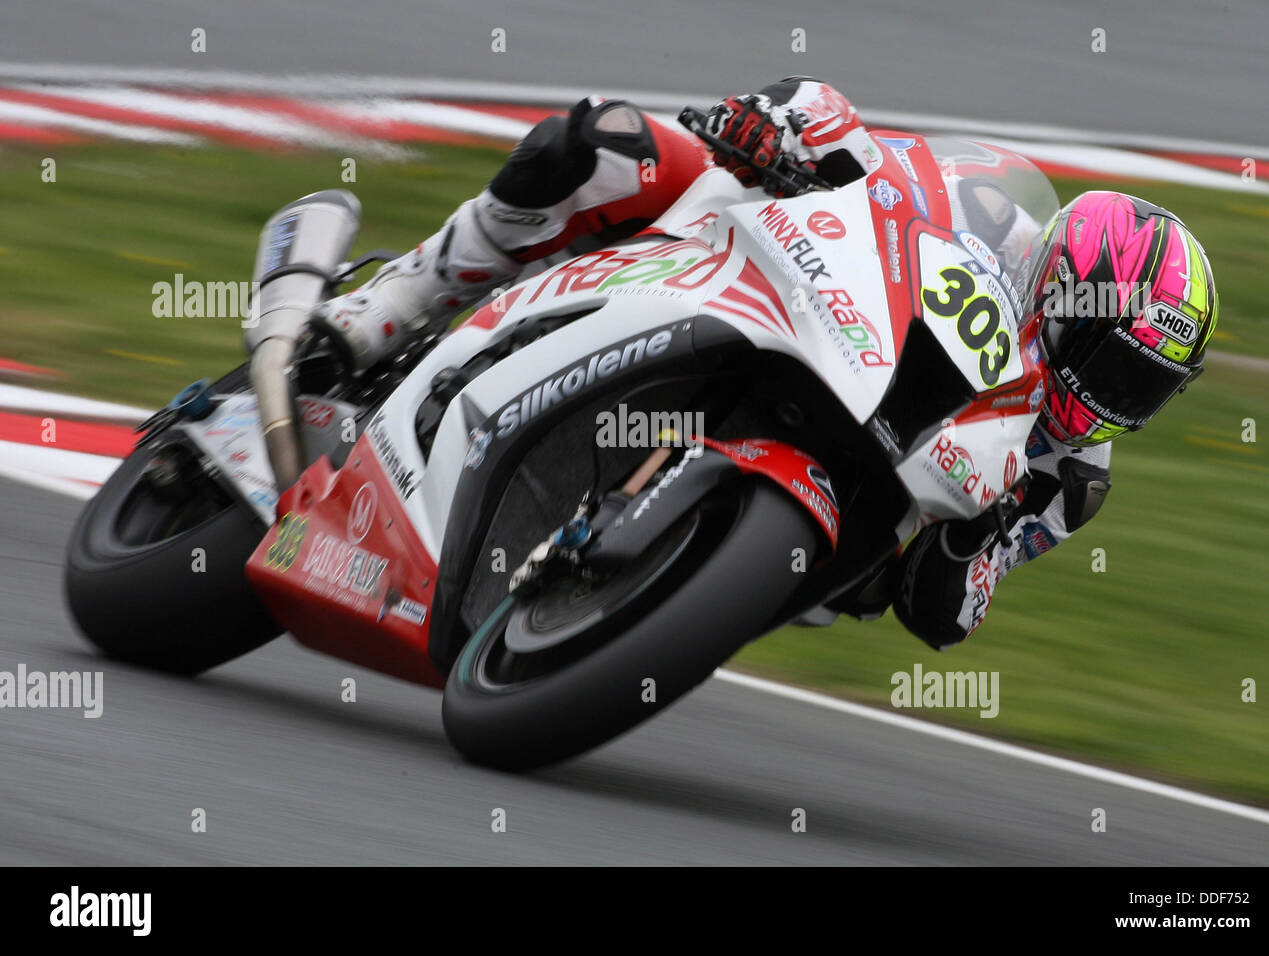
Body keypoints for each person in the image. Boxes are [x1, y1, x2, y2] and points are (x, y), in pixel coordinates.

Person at [308, 76, 1219, 650]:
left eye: (1144, 387)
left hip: (851, 508)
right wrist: (788, 126)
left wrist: (975, 538)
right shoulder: (996, 216)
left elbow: (947, 613)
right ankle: (387, 306)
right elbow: (891, 170)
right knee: (600, 141)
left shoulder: (1072, 479)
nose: (1109, 400)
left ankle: (642, 586)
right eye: (1110, 362)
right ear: (1060, 292)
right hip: (786, 293)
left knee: (860, 593)